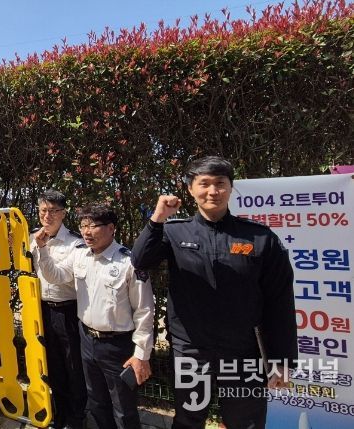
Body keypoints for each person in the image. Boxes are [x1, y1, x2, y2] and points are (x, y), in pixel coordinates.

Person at [131, 155, 296, 429]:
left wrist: (282, 361)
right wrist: (157, 219)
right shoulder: (174, 232)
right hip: (191, 350)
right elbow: (140, 260)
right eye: (204, 183)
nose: (212, 191)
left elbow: (280, 303)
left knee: (246, 422)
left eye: (220, 183)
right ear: (190, 189)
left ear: (231, 188)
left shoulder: (260, 238)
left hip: (243, 352)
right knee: (188, 420)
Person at [35, 203, 154, 429]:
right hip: (87, 340)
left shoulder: (129, 262)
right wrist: (42, 249)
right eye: (83, 226)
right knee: (97, 402)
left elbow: (144, 311)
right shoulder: (80, 255)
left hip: (118, 346)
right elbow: (56, 276)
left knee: (124, 409)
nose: (86, 232)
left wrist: (141, 354)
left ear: (111, 228)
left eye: (93, 226)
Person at [29, 190, 87, 429]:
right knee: (51, 364)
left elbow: (59, 277)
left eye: (54, 211)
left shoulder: (76, 243)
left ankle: (76, 418)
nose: (47, 216)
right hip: (40, 310)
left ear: (64, 213)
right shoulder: (31, 237)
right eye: (43, 210)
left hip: (67, 312)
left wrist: (42, 249)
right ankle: (59, 413)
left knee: (73, 366)